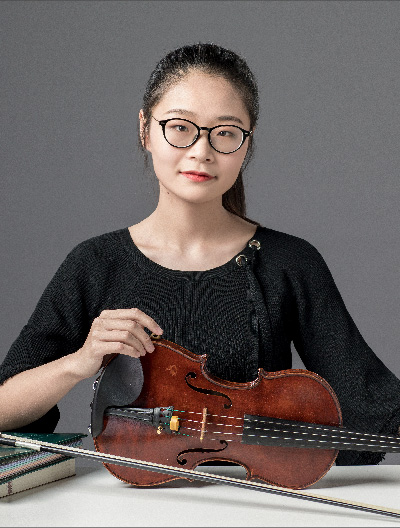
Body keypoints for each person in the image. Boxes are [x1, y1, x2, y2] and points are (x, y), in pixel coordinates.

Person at [0, 43, 399, 467]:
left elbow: (373, 405)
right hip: (128, 499)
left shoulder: (290, 262)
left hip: (255, 495)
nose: (201, 151)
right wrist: (80, 363)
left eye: (225, 132)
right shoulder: (96, 263)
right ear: (145, 130)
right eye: (180, 127)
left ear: (247, 144)